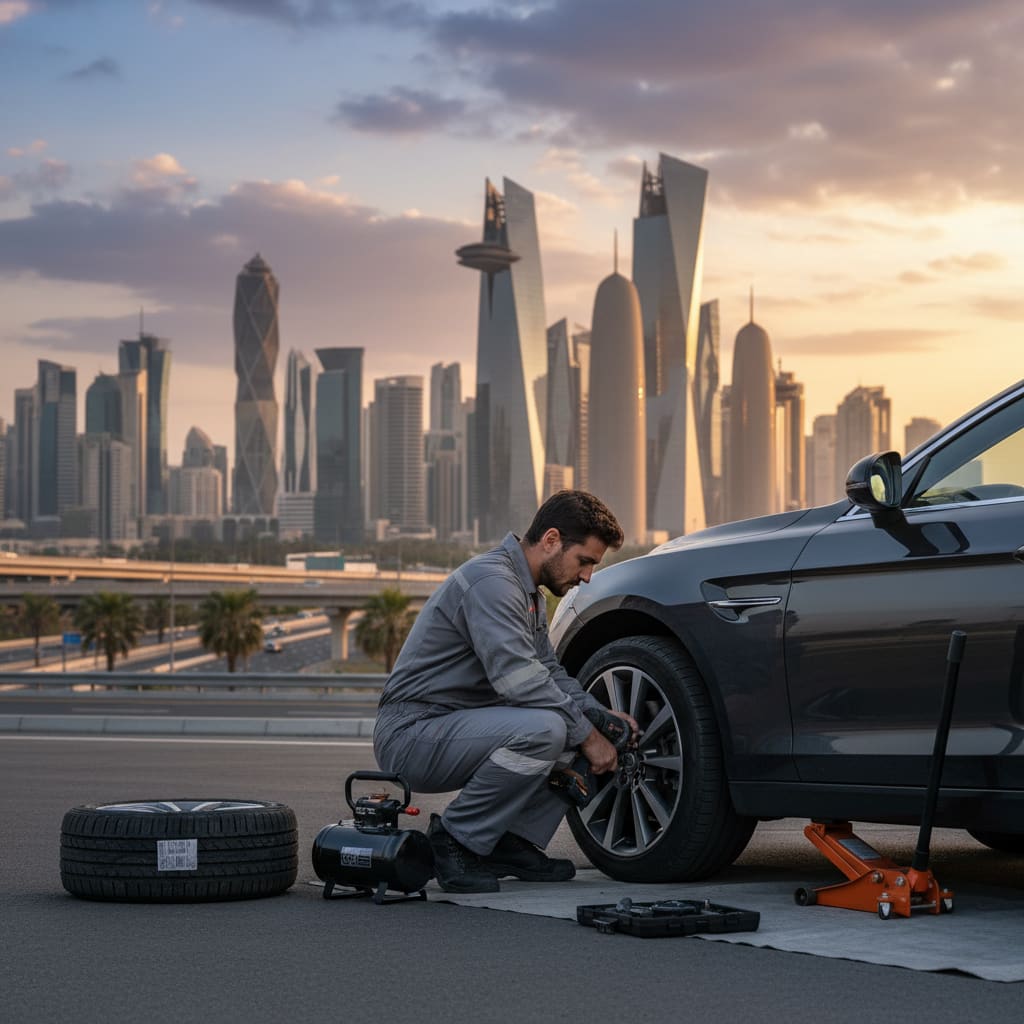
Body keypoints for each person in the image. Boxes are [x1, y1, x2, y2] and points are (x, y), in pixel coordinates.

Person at [373, 490, 636, 893]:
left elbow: (548, 672)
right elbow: (520, 682)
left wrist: (600, 718)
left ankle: (510, 842)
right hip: (413, 732)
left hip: (455, 726)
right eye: (584, 561)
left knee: (571, 724)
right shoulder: (492, 583)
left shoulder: (528, 593)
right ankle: (453, 840)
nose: (586, 576)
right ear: (551, 540)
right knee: (548, 730)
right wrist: (588, 734)